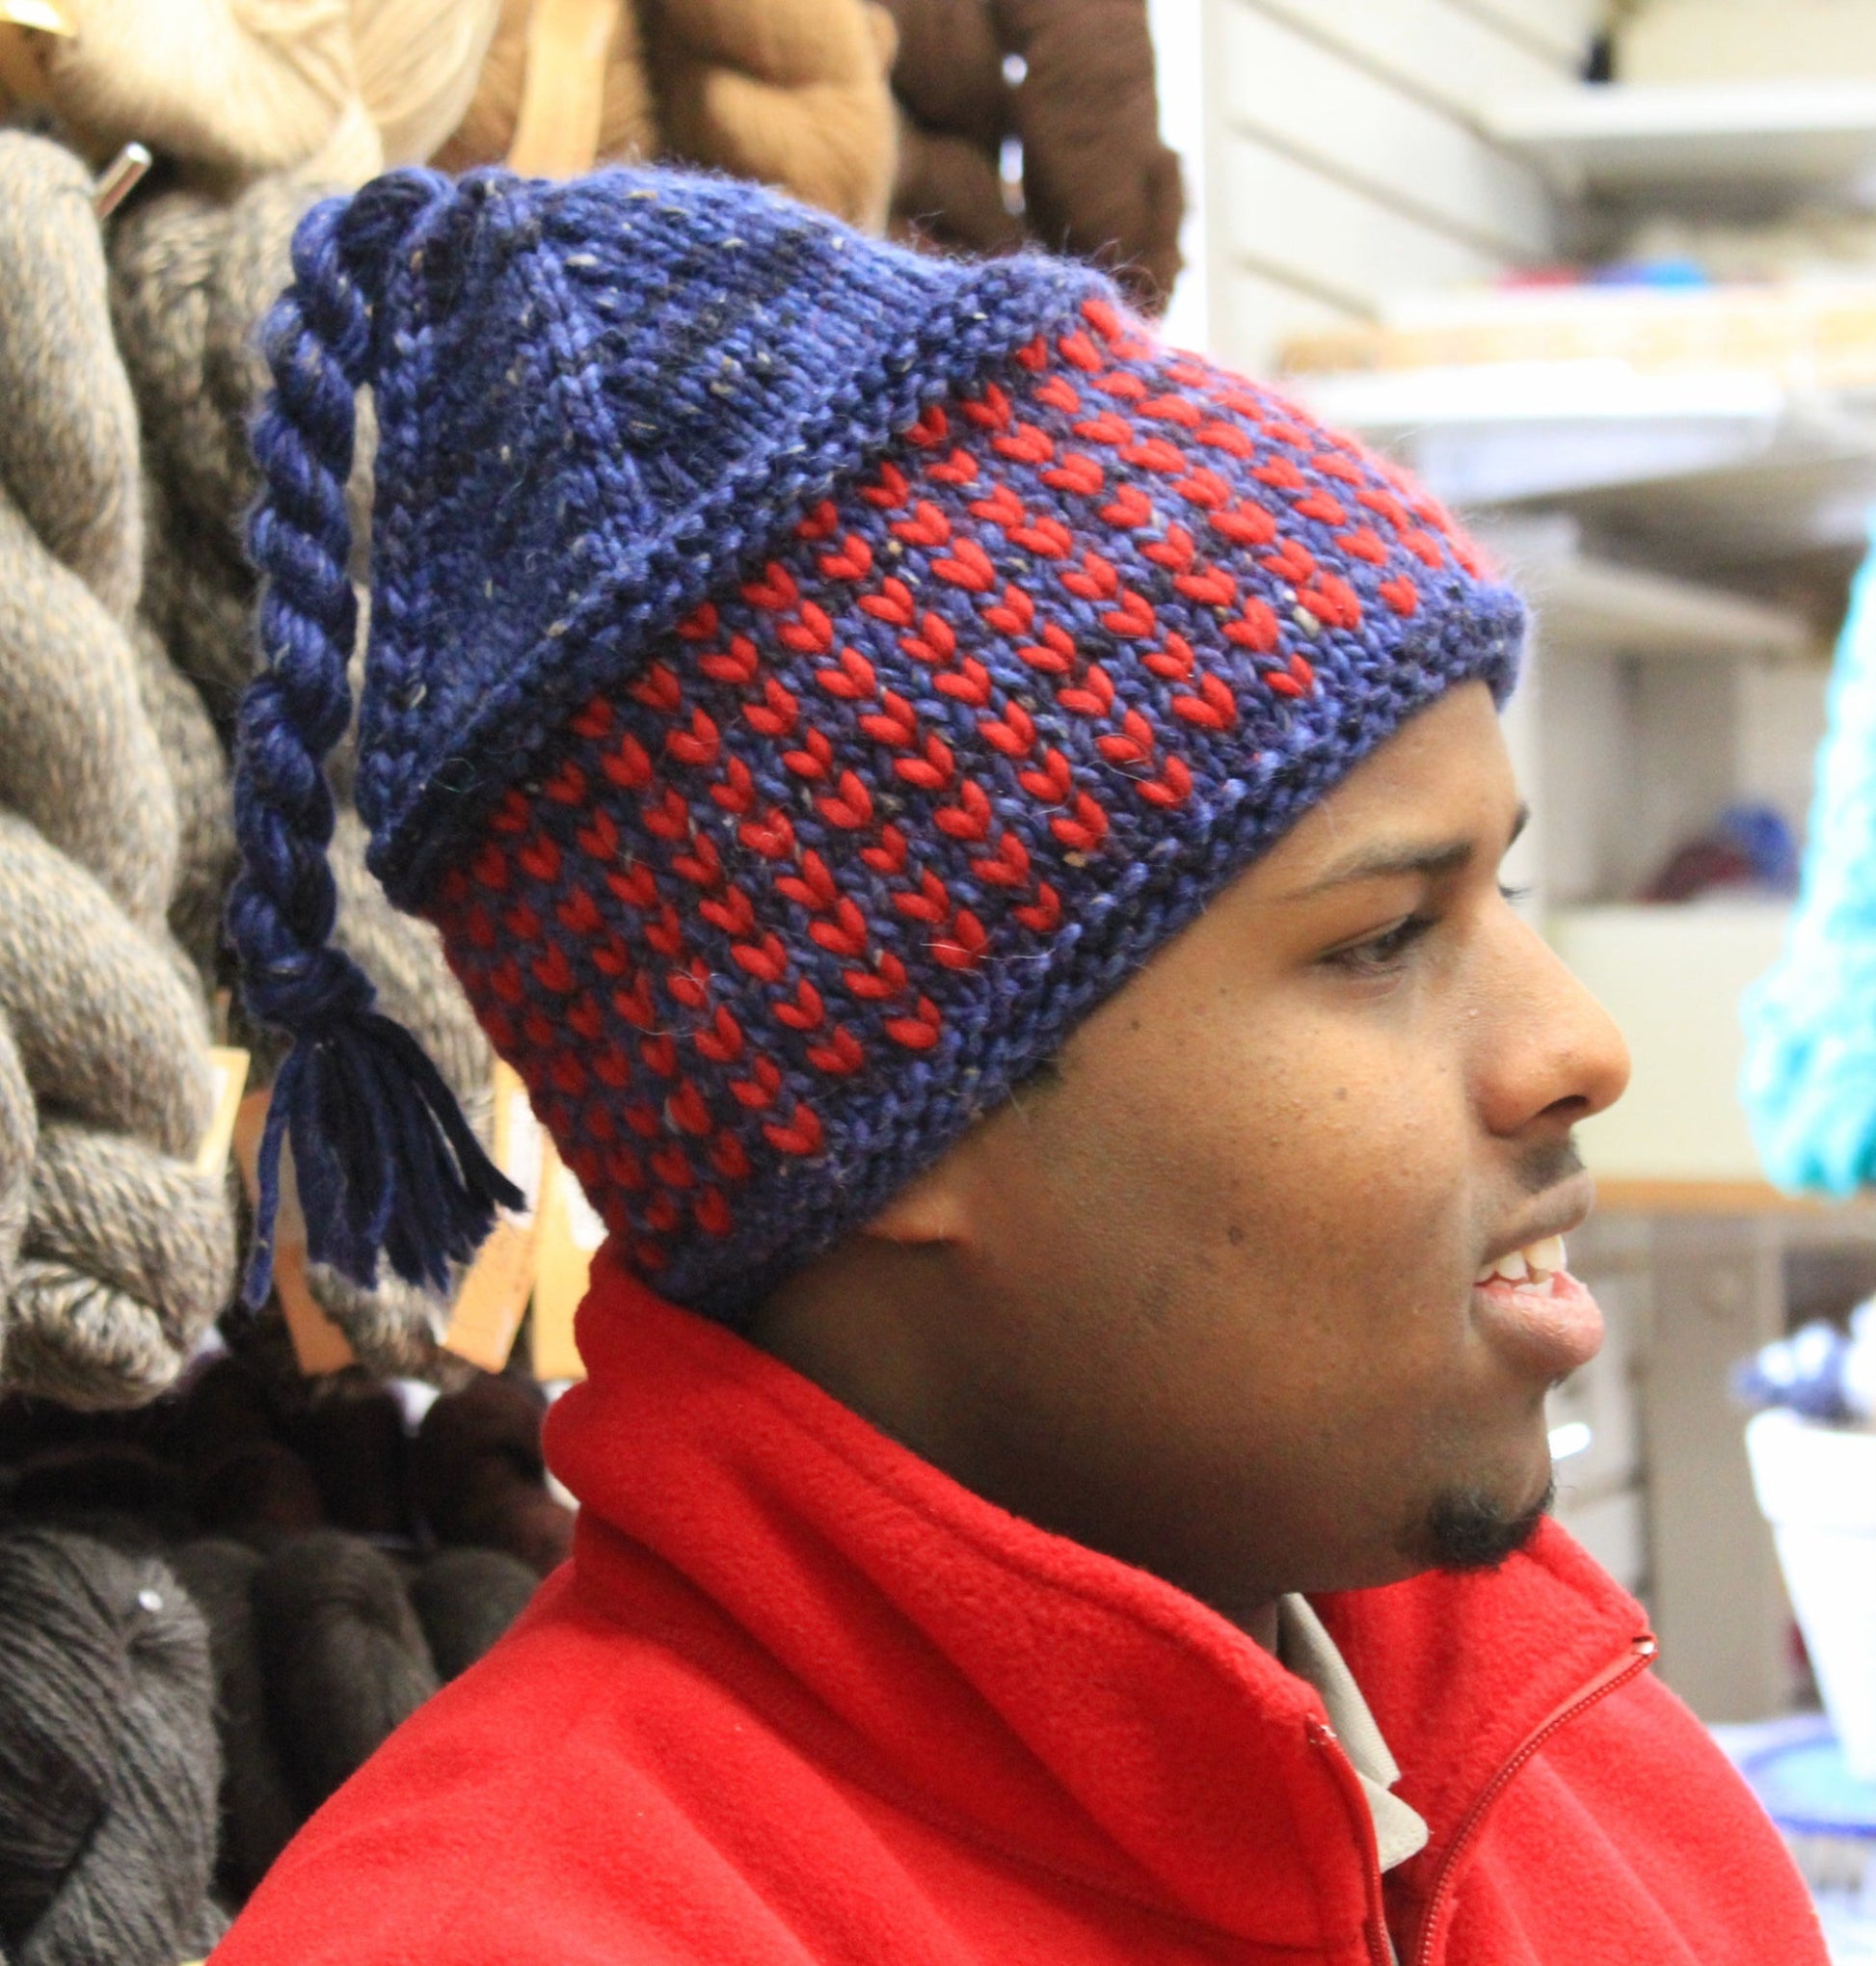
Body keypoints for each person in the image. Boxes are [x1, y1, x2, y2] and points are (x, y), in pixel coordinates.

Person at [212, 165, 1828, 1965]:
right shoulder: (521, 1935)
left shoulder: (1580, 1768)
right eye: (1381, 937)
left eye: (1503, 884)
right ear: (886, 1119)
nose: (1575, 1050)